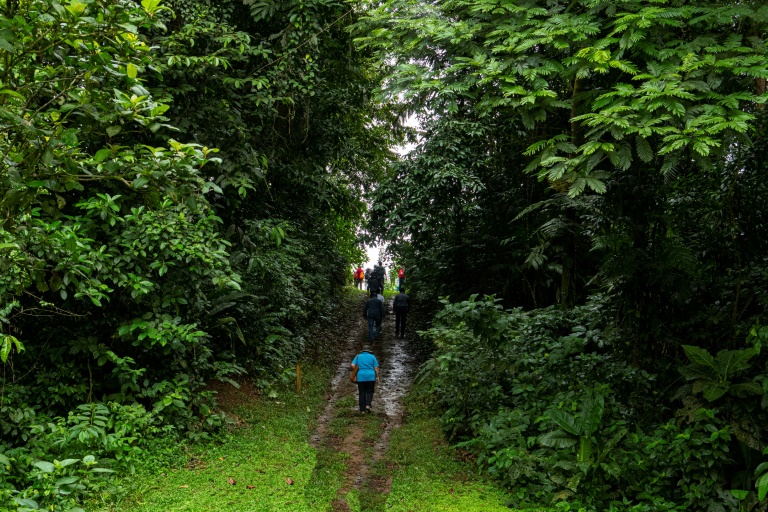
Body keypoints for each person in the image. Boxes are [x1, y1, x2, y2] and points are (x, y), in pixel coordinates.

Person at [351, 344, 379, 413]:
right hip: (371, 377)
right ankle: (368, 405)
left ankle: (362, 410)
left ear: (362, 350)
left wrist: (357, 368)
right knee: (370, 391)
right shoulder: (372, 357)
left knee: (361, 393)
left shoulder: (358, 356)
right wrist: (377, 376)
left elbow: (353, 365)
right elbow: (376, 368)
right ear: (369, 351)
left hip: (361, 377)